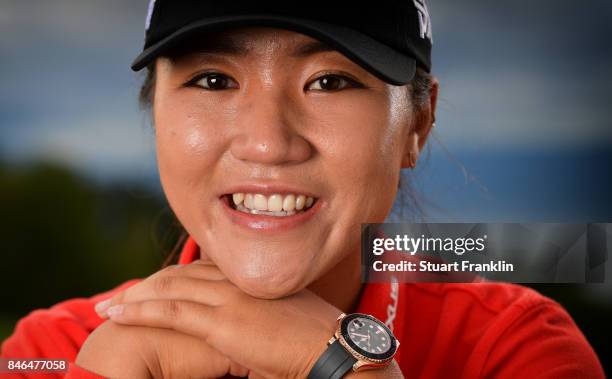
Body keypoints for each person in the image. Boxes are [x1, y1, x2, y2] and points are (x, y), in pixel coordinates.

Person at [1, 2, 605, 378]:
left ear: (417, 125)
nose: (267, 144)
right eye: (213, 79)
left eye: (330, 81)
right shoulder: (45, 353)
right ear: (155, 113)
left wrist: (348, 371)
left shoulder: (515, 351)